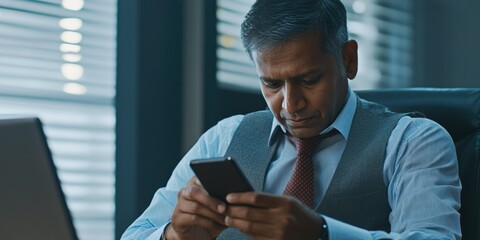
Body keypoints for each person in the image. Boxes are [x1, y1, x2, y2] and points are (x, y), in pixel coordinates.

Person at [121, 0, 461, 239]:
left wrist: (321, 233)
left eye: (309, 80)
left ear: (349, 59)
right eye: (272, 84)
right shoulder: (223, 138)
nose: (291, 104)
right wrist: (174, 236)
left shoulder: (415, 142)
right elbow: (135, 235)